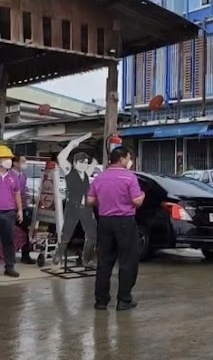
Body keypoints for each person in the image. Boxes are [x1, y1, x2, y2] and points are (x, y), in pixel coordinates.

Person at [86, 147, 145, 311]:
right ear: (121, 159)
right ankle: (124, 300)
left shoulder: (100, 177)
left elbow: (90, 200)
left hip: (105, 222)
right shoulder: (129, 177)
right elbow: (137, 201)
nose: (129, 161)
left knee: (104, 262)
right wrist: (143, 195)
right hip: (124, 221)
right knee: (127, 261)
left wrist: (105, 203)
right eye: (128, 158)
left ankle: (101, 301)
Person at [54, 133, 98, 268]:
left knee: (92, 235)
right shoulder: (69, 172)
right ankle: (57, 258)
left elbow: (95, 162)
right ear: (75, 162)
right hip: (73, 207)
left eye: (86, 162)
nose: (84, 164)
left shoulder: (86, 173)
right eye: (81, 162)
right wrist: (73, 144)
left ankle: (87, 259)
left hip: (86, 208)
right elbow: (61, 157)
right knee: (66, 234)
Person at [0, 146, 22, 277]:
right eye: (6, 158)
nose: (9, 161)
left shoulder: (13, 176)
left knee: (8, 240)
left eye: (10, 158)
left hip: (9, 213)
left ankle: (10, 267)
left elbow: (17, 193)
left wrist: (19, 210)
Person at [11, 154, 34, 264]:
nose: (25, 164)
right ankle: (10, 255)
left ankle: (25, 255)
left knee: (24, 232)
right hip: (10, 208)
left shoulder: (23, 176)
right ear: (15, 163)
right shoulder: (9, 175)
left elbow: (24, 191)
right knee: (9, 232)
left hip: (23, 207)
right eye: (23, 161)